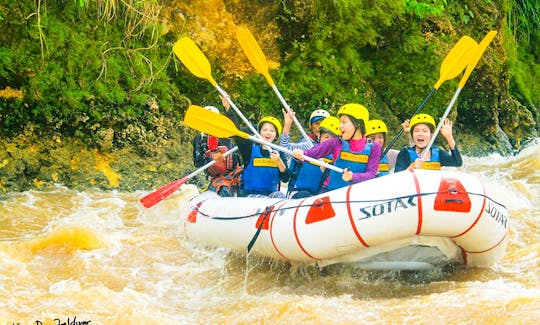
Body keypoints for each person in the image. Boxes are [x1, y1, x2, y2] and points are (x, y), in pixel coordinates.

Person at [292, 103, 382, 191]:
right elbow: (313, 153)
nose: (340, 126)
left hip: (356, 195)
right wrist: (302, 154)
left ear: (357, 124)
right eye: (340, 122)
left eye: (344, 122)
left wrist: (353, 176)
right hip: (332, 192)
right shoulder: (336, 142)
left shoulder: (374, 146)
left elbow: (371, 174)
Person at [230, 114, 290, 198]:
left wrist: (279, 160)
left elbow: (285, 178)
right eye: (265, 130)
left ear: (276, 136)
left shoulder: (279, 153)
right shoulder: (249, 149)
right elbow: (237, 132)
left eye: (272, 131)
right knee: (265, 200)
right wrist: (228, 108)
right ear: (259, 133)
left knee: (280, 196)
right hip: (249, 195)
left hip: (270, 194)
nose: (268, 133)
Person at [192, 105, 243, 197]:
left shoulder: (227, 132)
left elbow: (237, 129)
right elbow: (198, 163)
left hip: (236, 172)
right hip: (218, 177)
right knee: (223, 190)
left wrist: (228, 108)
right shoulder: (199, 138)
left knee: (246, 181)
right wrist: (211, 159)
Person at [287, 116, 341, 198]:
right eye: (326, 137)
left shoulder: (338, 156)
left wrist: (327, 171)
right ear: (319, 136)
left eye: (333, 139)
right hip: (300, 193)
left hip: (321, 195)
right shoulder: (307, 148)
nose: (329, 142)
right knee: (304, 195)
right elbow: (285, 148)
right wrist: (287, 127)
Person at [394, 113, 462, 172]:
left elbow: (458, 162)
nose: (420, 134)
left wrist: (449, 137)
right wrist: (412, 167)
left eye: (425, 131)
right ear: (412, 134)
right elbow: (395, 179)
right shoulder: (405, 153)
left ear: (431, 135)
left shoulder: (438, 153)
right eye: (416, 131)